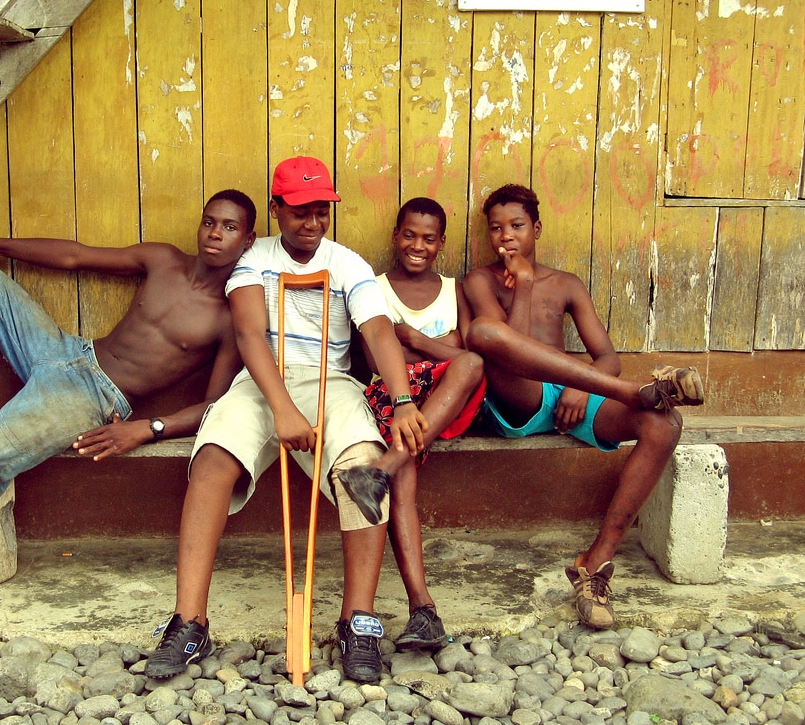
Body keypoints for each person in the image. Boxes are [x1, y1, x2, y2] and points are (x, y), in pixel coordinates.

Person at [0, 190, 258, 607]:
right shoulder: (164, 259)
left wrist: (147, 429)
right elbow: (76, 256)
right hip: (67, 351)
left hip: (93, 395)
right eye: (209, 222)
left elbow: (214, 405)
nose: (214, 234)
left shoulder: (228, 317)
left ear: (248, 239)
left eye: (229, 227)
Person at [144, 156, 428, 684]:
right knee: (213, 458)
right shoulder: (254, 259)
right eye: (300, 212)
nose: (313, 222)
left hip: (331, 383)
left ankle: (358, 621)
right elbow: (250, 335)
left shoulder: (347, 264)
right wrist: (282, 409)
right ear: (276, 209)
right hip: (262, 381)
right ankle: (189, 623)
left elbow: (378, 331)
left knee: (364, 469)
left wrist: (403, 399)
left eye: (322, 211)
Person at [462, 183, 705, 630]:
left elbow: (607, 356)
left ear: (536, 228)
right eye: (496, 229)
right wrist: (524, 285)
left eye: (517, 226)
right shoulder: (480, 281)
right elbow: (506, 350)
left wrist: (579, 385)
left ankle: (594, 566)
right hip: (520, 397)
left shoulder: (567, 284)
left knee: (664, 423)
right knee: (485, 333)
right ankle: (634, 391)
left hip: (572, 393)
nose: (506, 236)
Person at [361, 197, 485, 651]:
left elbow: (470, 357)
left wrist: (412, 339)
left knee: (470, 364)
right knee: (405, 476)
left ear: (442, 243)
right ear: (396, 236)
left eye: (428, 239)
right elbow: (375, 358)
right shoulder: (373, 288)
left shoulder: (455, 290)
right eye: (409, 235)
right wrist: (442, 345)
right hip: (394, 401)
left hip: (445, 401)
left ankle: (381, 470)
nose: (418, 246)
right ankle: (423, 610)